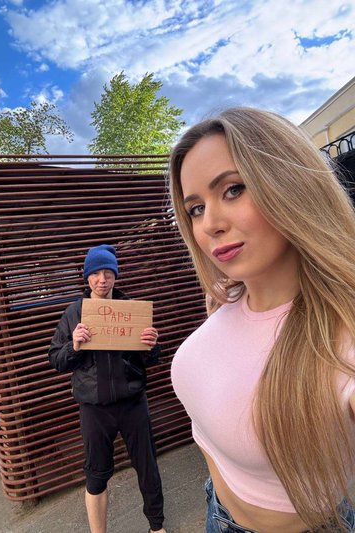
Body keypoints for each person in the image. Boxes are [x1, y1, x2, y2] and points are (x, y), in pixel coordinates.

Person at [169, 107, 355, 533]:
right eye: (195, 208)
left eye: (233, 189)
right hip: (215, 509)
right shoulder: (229, 297)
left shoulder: (343, 334)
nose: (210, 224)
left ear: (292, 186)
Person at [48, 244, 166, 533]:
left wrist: (152, 346)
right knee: (96, 474)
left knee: (147, 467)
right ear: (87, 277)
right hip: (94, 408)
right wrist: (74, 346)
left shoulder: (131, 310)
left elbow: (150, 359)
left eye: (108, 273)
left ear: (116, 276)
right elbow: (56, 359)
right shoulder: (74, 313)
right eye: (96, 273)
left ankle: (156, 527)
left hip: (133, 402)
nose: (102, 280)